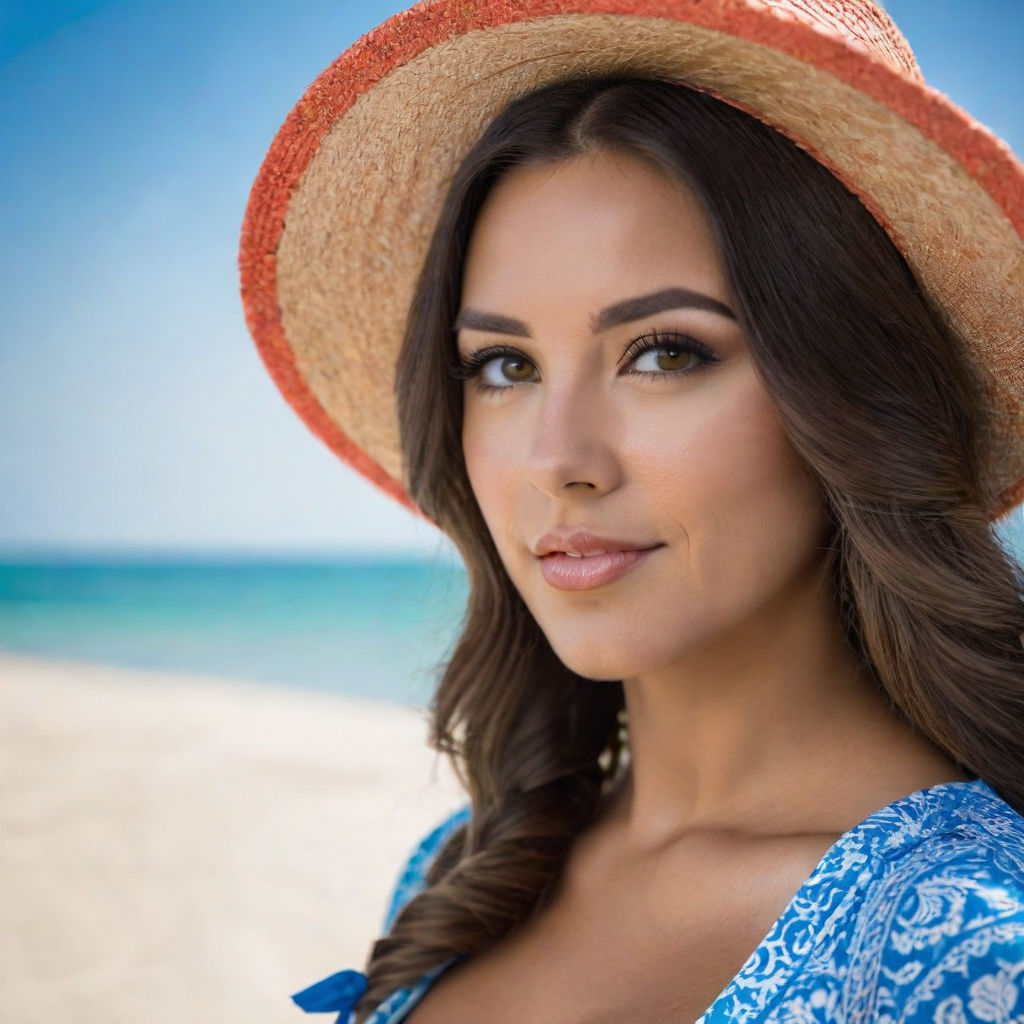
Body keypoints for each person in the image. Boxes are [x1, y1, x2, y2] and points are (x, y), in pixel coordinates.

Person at [239, 2, 1024, 1021]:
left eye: (663, 352)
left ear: (846, 393)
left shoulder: (968, 940)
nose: (557, 460)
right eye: (503, 365)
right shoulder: (465, 874)